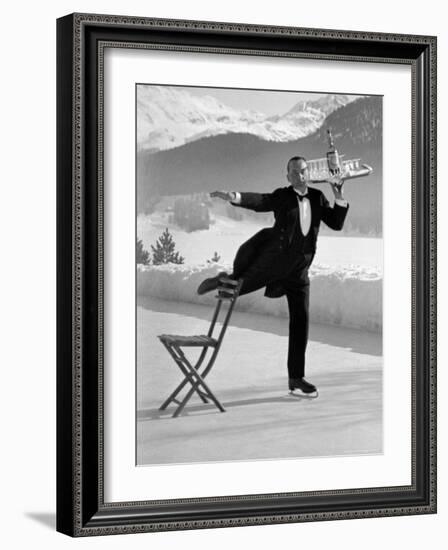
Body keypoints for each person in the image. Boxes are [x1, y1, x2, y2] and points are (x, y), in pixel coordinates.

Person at [197, 156, 349, 396]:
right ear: (287, 176)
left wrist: (338, 195)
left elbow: (337, 224)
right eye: (294, 172)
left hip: (300, 270)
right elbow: (261, 201)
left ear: (308, 173)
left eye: (303, 171)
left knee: (301, 322)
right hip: (275, 262)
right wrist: (235, 197)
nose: (299, 176)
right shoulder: (283, 196)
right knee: (240, 286)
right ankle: (223, 279)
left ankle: (296, 378)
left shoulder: (318, 197)